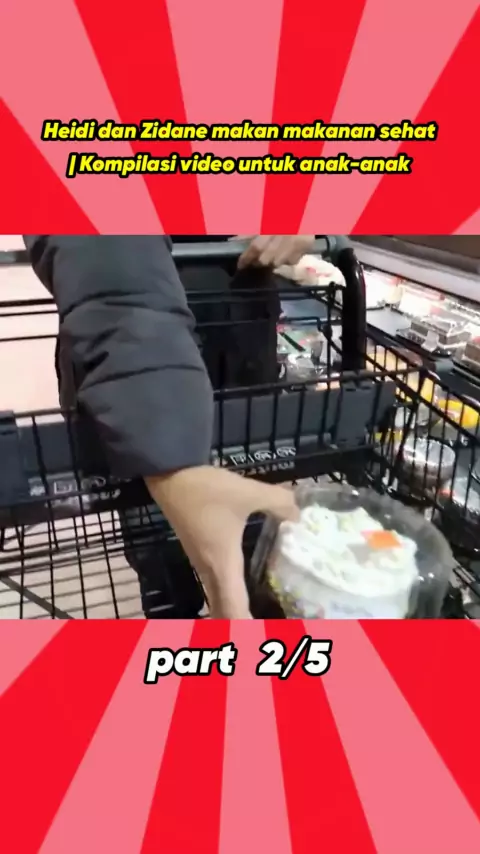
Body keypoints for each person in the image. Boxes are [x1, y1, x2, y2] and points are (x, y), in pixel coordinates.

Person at [24, 234, 314, 618]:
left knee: (250, 538)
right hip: (125, 357)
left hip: (239, 331)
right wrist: (172, 461)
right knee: (158, 548)